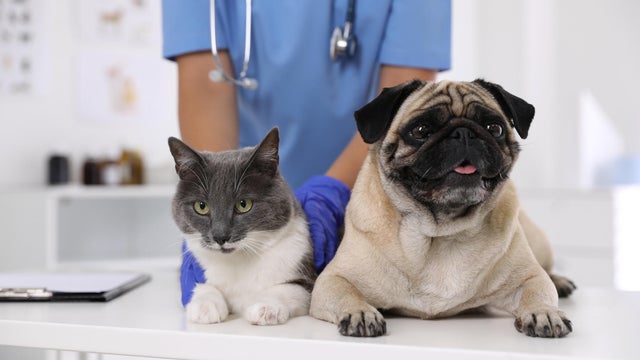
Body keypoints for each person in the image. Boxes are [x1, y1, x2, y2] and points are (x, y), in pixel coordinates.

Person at [162, 0, 451, 306]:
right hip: (247, 218)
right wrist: (215, 198)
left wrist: (331, 194)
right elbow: (207, 88)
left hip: (367, 199)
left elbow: (402, 98)